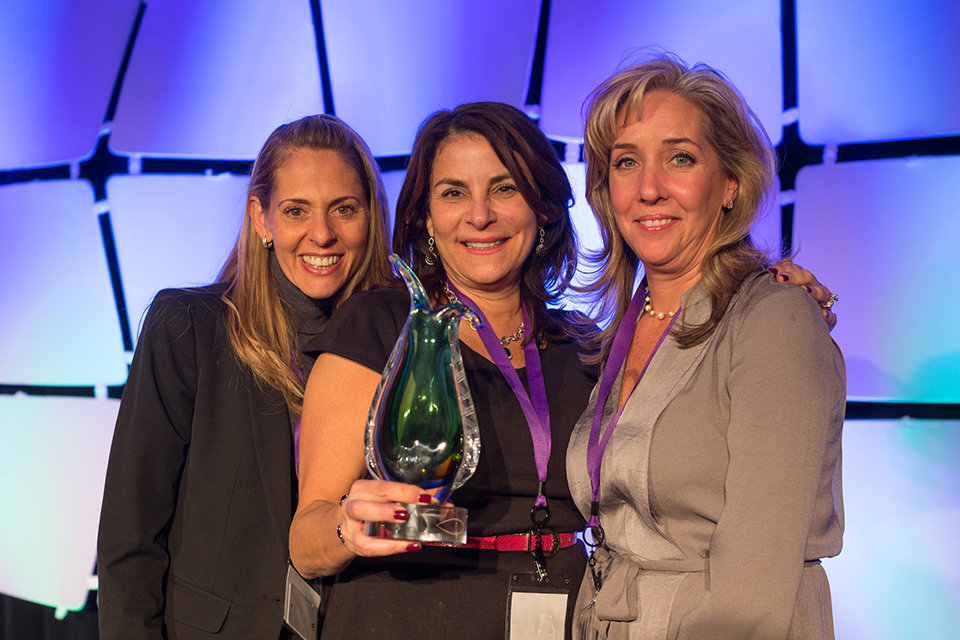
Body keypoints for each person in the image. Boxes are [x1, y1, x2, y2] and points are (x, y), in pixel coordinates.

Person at [290, 102, 599, 638]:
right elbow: (306, 542)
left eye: (504, 189)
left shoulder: (587, 348)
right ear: (426, 219)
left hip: (562, 614)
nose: (480, 216)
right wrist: (348, 525)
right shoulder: (381, 325)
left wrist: (767, 284)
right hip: (403, 618)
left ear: (544, 207)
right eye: (453, 193)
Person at [566, 54, 845, 639]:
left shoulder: (775, 318)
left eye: (680, 158)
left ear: (730, 184)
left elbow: (753, 589)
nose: (648, 188)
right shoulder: (614, 333)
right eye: (626, 163)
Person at [97, 114, 392, 639]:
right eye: (295, 210)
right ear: (261, 219)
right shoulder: (188, 328)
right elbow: (131, 538)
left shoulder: (404, 347)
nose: (321, 234)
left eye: (344, 209)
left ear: (370, 216)